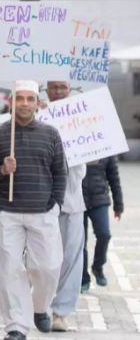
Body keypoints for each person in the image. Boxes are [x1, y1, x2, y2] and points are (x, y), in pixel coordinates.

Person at [0, 80, 66, 340]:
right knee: (8, 271)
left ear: (37, 103)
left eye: (30, 99)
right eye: (20, 99)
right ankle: (16, 326)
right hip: (7, 212)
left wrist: (55, 204)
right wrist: (2, 170)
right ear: (11, 102)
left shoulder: (51, 134)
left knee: (48, 267)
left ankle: (40, 308)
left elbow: (60, 171)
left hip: (43, 211)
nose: (25, 103)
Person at [46, 81, 88, 332]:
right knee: (44, 260)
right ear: (47, 89)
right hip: (42, 202)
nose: (59, 91)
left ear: (69, 89)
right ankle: (41, 304)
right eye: (54, 87)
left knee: (72, 257)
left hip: (73, 199)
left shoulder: (84, 116)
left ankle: (61, 312)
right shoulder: (39, 117)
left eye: (63, 87)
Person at [81, 156, 124, 292]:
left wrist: (118, 205)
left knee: (104, 234)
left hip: (100, 200)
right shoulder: (75, 141)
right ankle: (83, 278)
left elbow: (114, 177)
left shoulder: (105, 146)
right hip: (77, 200)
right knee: (79, 242)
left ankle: (97, 267)